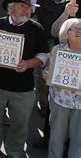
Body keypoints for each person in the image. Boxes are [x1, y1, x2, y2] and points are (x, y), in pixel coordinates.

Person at [0, 0, 49, 158]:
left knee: (20, 123)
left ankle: (15, 151)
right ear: (11, 8)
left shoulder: (36, 29)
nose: (27, 10)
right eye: (23, 6)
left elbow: (44, 55)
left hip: (23, 88)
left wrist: (28, 64)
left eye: (29, 7)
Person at [44, 18, 81, 158]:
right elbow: (47, 71)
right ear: (66, 32)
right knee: (57, 136)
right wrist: (46, 74)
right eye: (75, 28)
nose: (80, 31)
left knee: (78, 139)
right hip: (60, 99)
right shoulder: (58, 50)